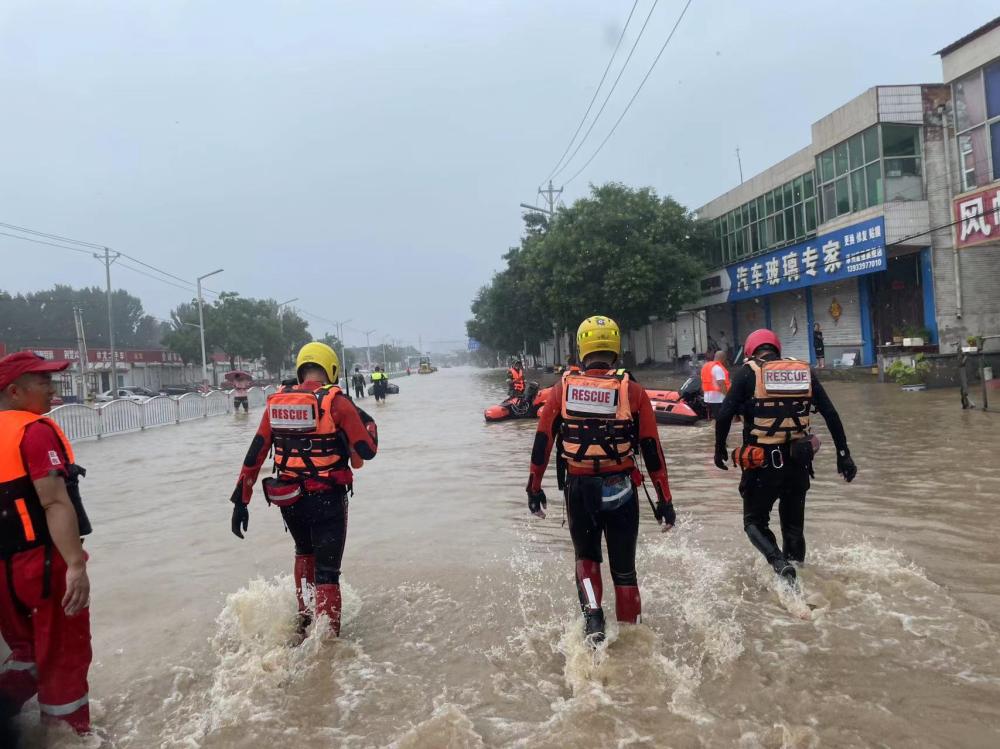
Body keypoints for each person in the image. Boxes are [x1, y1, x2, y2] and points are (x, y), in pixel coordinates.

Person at [527, 315, 676, 644]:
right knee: (624, 570)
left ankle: (594, 623)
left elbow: (542, 443)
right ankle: (633, 642)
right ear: (616, 349)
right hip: (621, 490)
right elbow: (652, 450)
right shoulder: (633, 391)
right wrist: (665, 501)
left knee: (586, 558)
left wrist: (534, 489)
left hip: (579, 490)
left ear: (581, 349)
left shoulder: (562, 389)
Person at [229, 342, 377, 638]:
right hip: (328, 500)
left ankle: (305, 622)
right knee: (327, 573)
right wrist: (357, 412)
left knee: (303, 553)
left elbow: (255, 453)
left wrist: (240, 502)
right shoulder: (336, 402)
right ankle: (326, 645)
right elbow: (367, 449)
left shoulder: (277, 402)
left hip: (289, 501)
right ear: (332, 369)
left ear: (300, 368)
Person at [714, 329, 857, 582]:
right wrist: (843, 454)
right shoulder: (802, 372)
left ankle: (779, 564)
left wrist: (719, 449)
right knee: (793, 530)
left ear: (750, 352)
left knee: (753, 522)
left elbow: (724, 415)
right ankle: (797, 580)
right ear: (777, 349)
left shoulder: (747, 373)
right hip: (798, 463)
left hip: (763, 466)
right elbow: (830, 413)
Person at [0, 352, 93, 736]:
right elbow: (54, 500)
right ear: (15, 391)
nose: (52, 389)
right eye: (43, 382)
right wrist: (75, 564)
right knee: (63, 658)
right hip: (42, 565)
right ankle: (69, 735)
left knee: (24, 652)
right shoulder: (34, 431)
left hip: (3, 575)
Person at [700, 350, 730, 420]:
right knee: (722, 419)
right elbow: (721, 384)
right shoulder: (718, 368)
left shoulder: (705, 367)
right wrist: (728, 397)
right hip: (719, 398)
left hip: (708, 398)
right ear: (723, 358)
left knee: (716, 418)